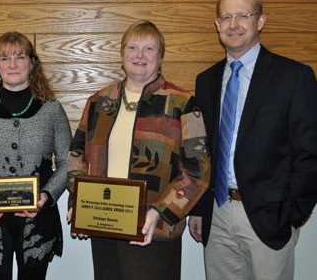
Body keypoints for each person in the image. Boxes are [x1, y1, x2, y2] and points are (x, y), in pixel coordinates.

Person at [189, 0, 317, 280]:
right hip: (218, 212)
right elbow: (201, 153)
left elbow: (310, 154)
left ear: (261, 21)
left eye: (243, 15)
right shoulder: (206, 81)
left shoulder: (294, 77)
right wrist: (199, 209)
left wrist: (292, 215)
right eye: (225, 17)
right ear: (216, 25)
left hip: (269, 216)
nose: (233, 24)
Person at [67, 20, 210, 280]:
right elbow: (77, 154)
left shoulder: (184, 104)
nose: (139, 56)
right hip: (104, 226)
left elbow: (198, 171)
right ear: (122, 55)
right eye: (132, 47)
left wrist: (160, 212)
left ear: (161, 55)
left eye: (149, 48)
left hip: (154, 230)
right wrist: (78, 201)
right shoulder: (100, 101)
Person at [0, 31, 71, 280]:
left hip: (38, 218)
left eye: (20, 57)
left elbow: (66, 162)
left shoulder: (52, 109)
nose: (13, 64)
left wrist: (45, 197)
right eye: (5, 58)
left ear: (32, 63)